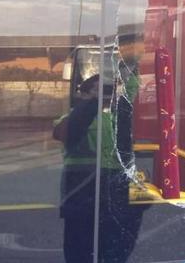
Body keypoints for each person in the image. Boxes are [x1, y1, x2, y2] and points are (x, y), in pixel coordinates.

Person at [53, 74, 140, 262]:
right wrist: (93, 102)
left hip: (112, 194)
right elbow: (64, 132)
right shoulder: (70, 118)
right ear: (83, 94)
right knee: (79, 251)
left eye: (107, 90)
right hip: (81, 193)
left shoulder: (116, 120)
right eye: (97, 90)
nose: (104, 95)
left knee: (114, 250)